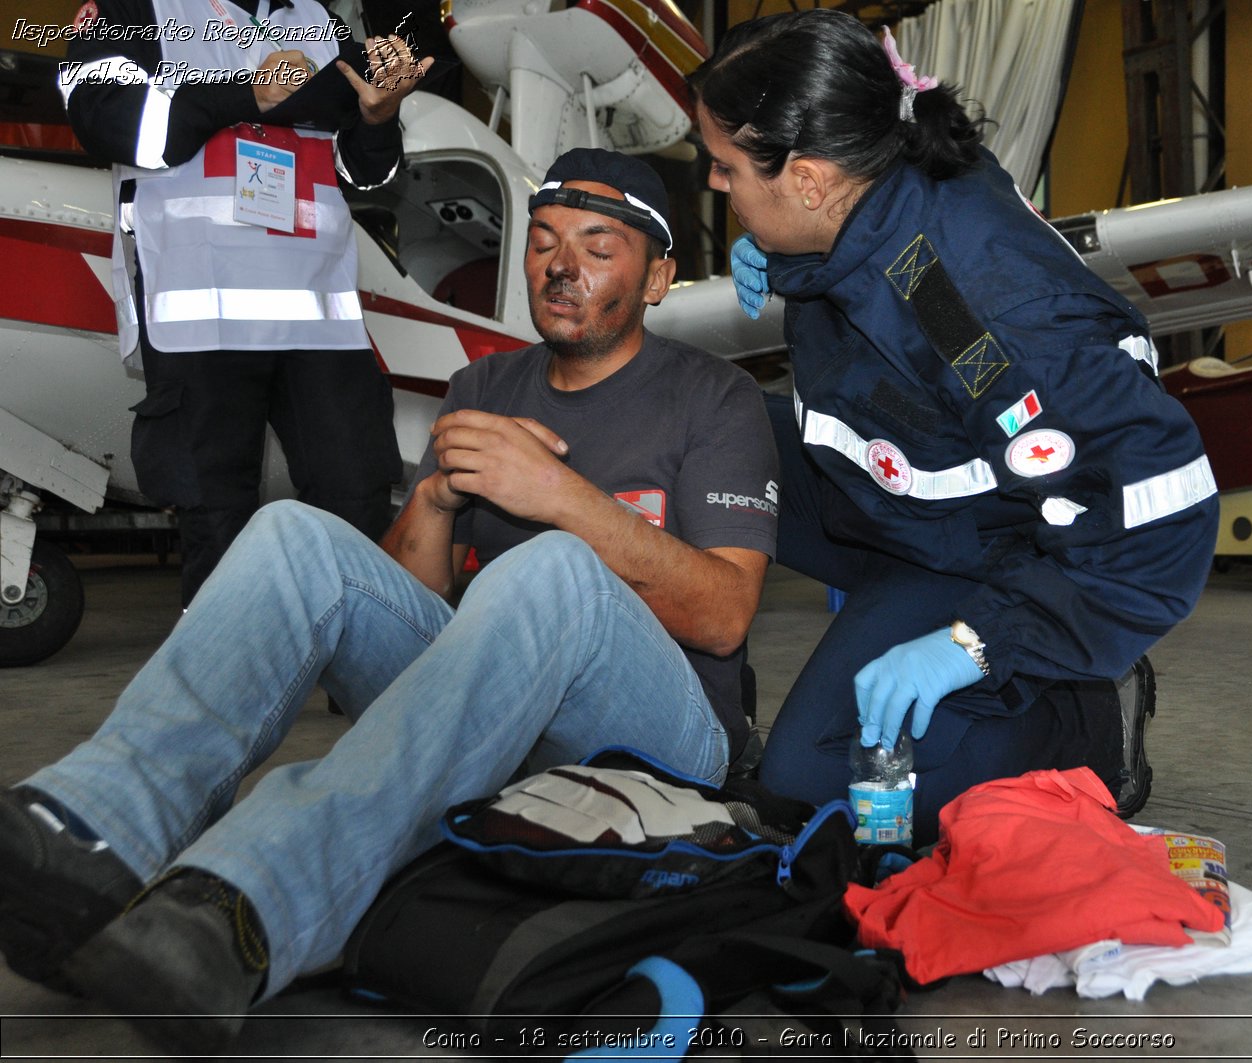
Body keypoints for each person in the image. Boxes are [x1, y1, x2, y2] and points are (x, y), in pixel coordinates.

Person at [0, 148, 778, 1053]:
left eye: (598, 245)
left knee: (552, 568)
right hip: (492, 711)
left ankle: (252, 905)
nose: (561, 265)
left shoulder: (714, 397)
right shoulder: (486, 385)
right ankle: (92, 834)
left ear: (659, 278)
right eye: (546, 241)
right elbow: (410, 608)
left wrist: (556, 494)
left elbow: (724, 613)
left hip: (670, 739)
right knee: (296, 536)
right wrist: (438, 496)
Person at [689, 9, 1219, 843]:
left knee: (812, 779)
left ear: (811, 178)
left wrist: (977, 644)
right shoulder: (883, 174)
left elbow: (1161, 522)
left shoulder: (966, 312)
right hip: (889, 496)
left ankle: (1084, 718)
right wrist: (797, 260)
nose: (716, 188)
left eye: (725, 170)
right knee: (689, 431)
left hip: (992, 548)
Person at [59, 0, 433, 604]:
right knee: (216, 520)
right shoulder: (134, 8)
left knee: (358, 499)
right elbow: (111, 122)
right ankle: (224, 689)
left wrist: (378, 117)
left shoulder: (316, 19)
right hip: (200, 315)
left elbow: (362, 175)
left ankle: (363, 681)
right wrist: (248, 96)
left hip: (317, 318)